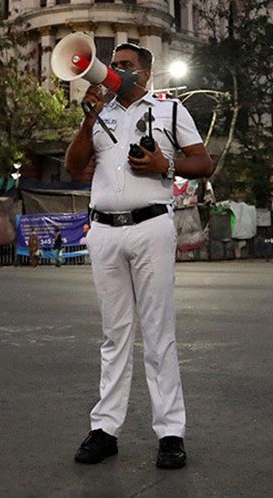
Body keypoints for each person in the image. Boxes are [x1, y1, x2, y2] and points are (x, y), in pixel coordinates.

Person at [65, 42, 213, 470]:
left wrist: (163, 167)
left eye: (127, 66)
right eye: (114, 65)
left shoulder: (169, 111)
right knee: (114, 336)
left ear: (146, 73)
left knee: (158, 332)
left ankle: (170, 432)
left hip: (151, 227)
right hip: (105, 232)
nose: (117, 71)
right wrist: (89, 115)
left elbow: (203, 163)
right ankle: (105, 428)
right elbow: (74, 166)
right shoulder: (102, 112)